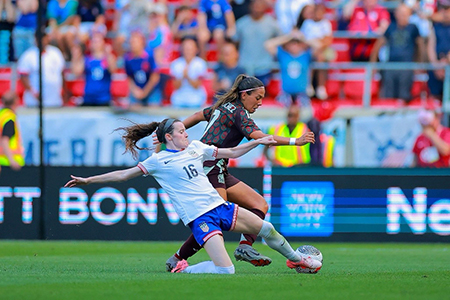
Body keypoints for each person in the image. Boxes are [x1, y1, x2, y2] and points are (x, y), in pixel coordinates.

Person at [64, 118, 322, 274]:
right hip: (201, 219)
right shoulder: (158, 161)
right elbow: (122, 176)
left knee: (266, 228)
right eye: (182, 132)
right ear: (169, 137)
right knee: (226, 270)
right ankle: (182, 269)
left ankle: (299, 261)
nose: (187, 134)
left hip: (220, 207)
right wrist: (88, 180)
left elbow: (231, 153)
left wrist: (256, 142)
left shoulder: (197, 148)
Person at [165, 74, 315, 271]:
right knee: (213, 219)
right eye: (258, 97)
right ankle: (177, 259)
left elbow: (196, 116)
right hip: (210, 167)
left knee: (259, 204)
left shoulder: (222, 106)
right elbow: (261, 137)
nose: (260, 102)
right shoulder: (238, 113)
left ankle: (244, 247)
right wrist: (296, 141)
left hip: (217, 167)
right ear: (245, 95)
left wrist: (173, 133)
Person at [370, 4, 424, 103]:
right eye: (401, 14)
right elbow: (379, 45)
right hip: (391, 65)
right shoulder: (391, 27)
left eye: (405, 14)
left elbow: (420, 46)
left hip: (407, 66)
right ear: (396, 15)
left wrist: (419, 63)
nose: (403, 17)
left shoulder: (413, 28)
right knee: (388, 96)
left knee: (403, 96)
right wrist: (373, 63)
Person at [264, 30, 317, 107]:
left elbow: (319, 46)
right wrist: (288, 37)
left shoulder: (305, 55)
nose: (294, 45)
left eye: (297, 43)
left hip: (302, 94)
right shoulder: (283, 55)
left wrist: (302, 38)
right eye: (292, 43)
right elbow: (267, 45)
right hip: (285, 94)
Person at [234, 0, 281, 85]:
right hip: (244, 66)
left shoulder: (272, 23)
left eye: (260, 6)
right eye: (255, 6)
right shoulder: (241, 23)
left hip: (265, 66)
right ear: (250, 6)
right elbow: (235, 42)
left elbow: (281, 40)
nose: (257, 9)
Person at [18, 29, 65, 107]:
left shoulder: (55, 53)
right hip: (34, 102)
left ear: (47, 38)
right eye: (39, 38)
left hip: (55, 100)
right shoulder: (28, 55)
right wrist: (34, 93)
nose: (42, 40)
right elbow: (23, 76)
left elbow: (62, 73)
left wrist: (63, 92)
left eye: (44, 37)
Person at [71, 32, 117, 106]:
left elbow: (113, 70)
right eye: (94, 41)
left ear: (103, 43)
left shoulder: (108, 58)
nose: (96, 43)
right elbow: (76, 73)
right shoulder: (86, 59)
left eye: (98, 41)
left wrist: (108, 54)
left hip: (104, 99)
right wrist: (75, 57)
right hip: (88, 99)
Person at [125, 31, 161, 108]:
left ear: (141, 42)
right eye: (131, 42)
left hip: (151, 90)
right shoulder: (128, 59)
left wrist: (144, 92)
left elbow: (155, 77)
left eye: (134, 42)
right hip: (137, 90)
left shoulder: (149, 56)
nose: (132, 44)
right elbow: (129, 77)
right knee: (134, 110)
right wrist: (135, 91)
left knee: (153, 109)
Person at [169, 36, 208, 108]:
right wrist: (182, 77)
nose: (188, 51)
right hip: (179, 100)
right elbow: (176, 86)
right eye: (185, 48)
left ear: (196, 49)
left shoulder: (201, 64)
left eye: (190, 48)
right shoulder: (175, 64)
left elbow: (197, 85)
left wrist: (187, 76)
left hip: (196, 100)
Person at [427, 0, 450, 101]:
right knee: (435, 96)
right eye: (443, 9)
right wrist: (436, 65)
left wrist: (447, 61)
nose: (445, 12)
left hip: (447, 65)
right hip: (438, 68)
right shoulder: (435, 27)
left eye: (447, 9)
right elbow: (430, 47)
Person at [0, 91, 24, 171]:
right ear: (16, 101)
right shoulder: (9, 118)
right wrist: (11, 160)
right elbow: (5, 140)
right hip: (7, 163)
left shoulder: (2, 115)